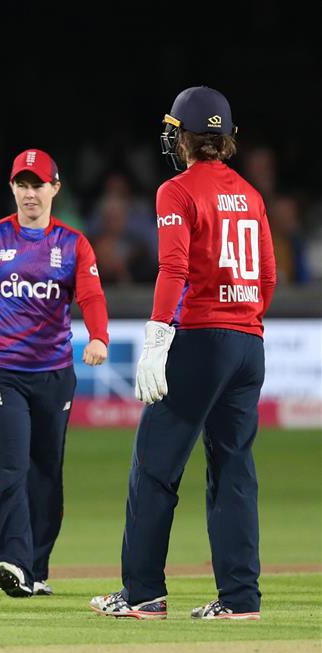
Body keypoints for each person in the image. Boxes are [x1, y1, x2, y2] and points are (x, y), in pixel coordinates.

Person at [91, 86, 275, 621]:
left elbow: (173, 269)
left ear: (183, 137)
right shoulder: (252, 194)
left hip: (200, 341)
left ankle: (143, 593)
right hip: (248, 343)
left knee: (154, 468)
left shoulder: (177, 191)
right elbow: (266, 276)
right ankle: (240, 600)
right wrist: (241, 316)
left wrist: (157, 339)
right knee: (234, 471)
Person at [0, 148, 109, 598]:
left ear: (55, 188)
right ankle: (9, 561)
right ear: (12, 188)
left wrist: (98, 337)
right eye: (22, 184)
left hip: (53, 373)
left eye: (38, 184)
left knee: (46, 471)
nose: (30, 193)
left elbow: (90, 295)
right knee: (11, 465)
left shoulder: (73, 244)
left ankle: (35, 568)